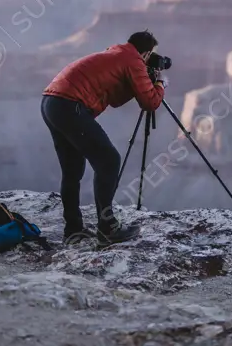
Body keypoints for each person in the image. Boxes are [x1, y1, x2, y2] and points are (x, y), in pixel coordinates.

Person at [41, 30, 167, 247]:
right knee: (109, 161)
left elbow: (115, 98)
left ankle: (73, 230)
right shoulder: (132, 60)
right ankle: (108, 228)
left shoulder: (116, 54)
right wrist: (159, 84)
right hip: (71, 105)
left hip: (51, 102)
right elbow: (150, 102)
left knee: (72, 170)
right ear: (145, 54)